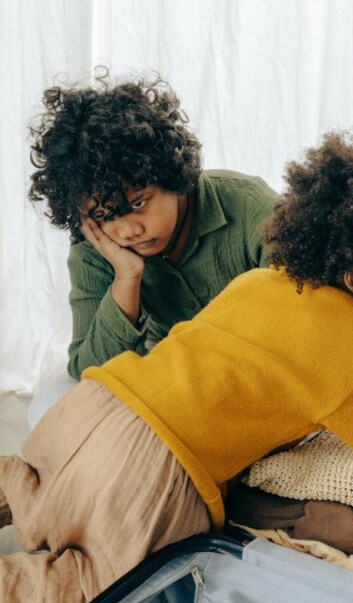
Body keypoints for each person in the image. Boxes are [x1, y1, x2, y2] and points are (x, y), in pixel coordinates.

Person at [0, 125, 353, 603]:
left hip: (92, 410)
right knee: (102, 589)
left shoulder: (259, 281)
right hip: (154, 464)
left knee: (46, 495)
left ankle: (15, 483)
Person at [27, 73, 278, 386]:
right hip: (179, 377)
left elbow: (307, 317)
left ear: (171, 176)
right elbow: (89, 369)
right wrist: (126, 278)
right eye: (106, 215)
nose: (127, 230)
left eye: (137, 204)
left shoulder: (248, 205)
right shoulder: (95, 249)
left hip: (268, 368)